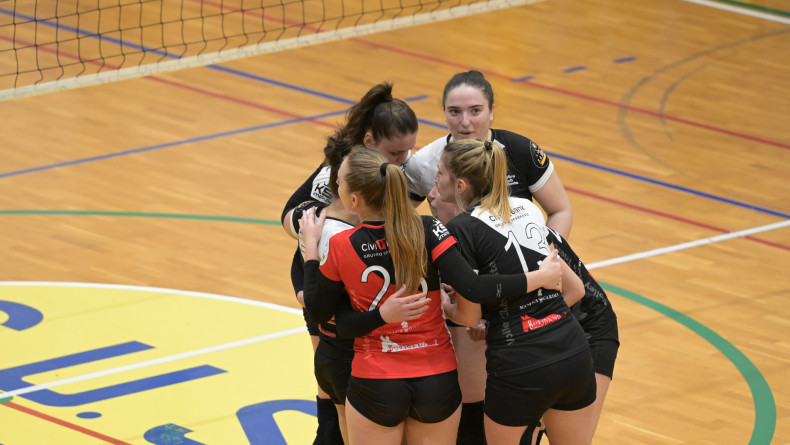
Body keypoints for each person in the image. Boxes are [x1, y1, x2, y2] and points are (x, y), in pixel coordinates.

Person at [299, 147, 563, 445]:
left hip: (377, 380)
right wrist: (538, 278)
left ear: (353, 200)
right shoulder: (429, 228)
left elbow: (321, 314)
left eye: (340, 183)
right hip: (436, 380)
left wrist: (311, 249)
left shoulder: (341, 244)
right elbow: (474, 287)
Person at [403, 70, 574, 444]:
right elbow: (398, 223)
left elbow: (560, 210)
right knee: (474, 400)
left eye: (475, 110)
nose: (465, 122)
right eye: (454, 112)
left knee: (520, 396)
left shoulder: (519, 150)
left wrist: (544, 265)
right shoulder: (426, 161)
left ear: (492, 111)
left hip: (518, 296)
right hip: (464, 292)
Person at [281, 82, 419, 444]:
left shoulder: (402, 169)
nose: (403, 160)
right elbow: (290, 214)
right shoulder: (343, 172)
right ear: (369, 142)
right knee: (334, 383)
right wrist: (311, 238)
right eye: (395, 152)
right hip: (329, 290)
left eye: (408, 150)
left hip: (363, 302)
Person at [436, 139, 596, 445]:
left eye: (440, 173)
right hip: (572, 351)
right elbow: (575, 289)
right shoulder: (528, 208)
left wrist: (446, 306)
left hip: (519, 363)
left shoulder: (461, 228)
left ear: (460, 185)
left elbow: (469, 317)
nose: (435, 179)